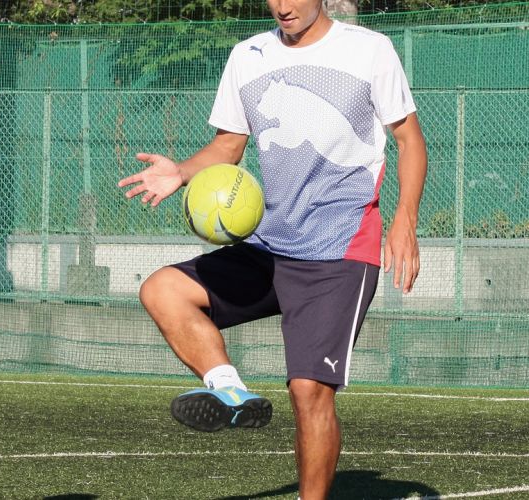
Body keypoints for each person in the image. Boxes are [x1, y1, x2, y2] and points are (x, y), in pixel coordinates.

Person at [118, 0, 427, 497]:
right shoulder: (248, 55)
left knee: (308, 392)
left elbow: (410, 140)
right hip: (272, 242)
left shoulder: (370, 50)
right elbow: (227, 147)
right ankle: (229, 390)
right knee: (163, 290)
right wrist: (180, 172)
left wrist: (404, 221)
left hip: (340, 250)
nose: (282, 6)